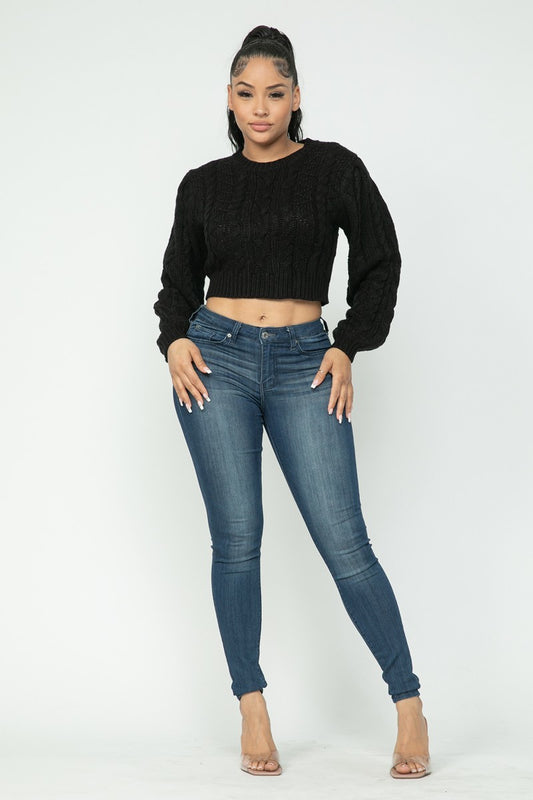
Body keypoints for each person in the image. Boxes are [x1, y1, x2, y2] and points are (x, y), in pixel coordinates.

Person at [153, 25, 431, 780]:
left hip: (307, 362)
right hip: (215, 359)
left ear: (297, 96)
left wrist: (348, 344)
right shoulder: (202, 184)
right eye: (246, 94)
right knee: (236, 538)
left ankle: (408, 703)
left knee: (345, 542)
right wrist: (173, 340)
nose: (260, 108)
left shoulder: (334, 169)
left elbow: (380, 261)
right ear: (229, 98)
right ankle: (251, 703)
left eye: (274, 94)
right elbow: (177, 280)